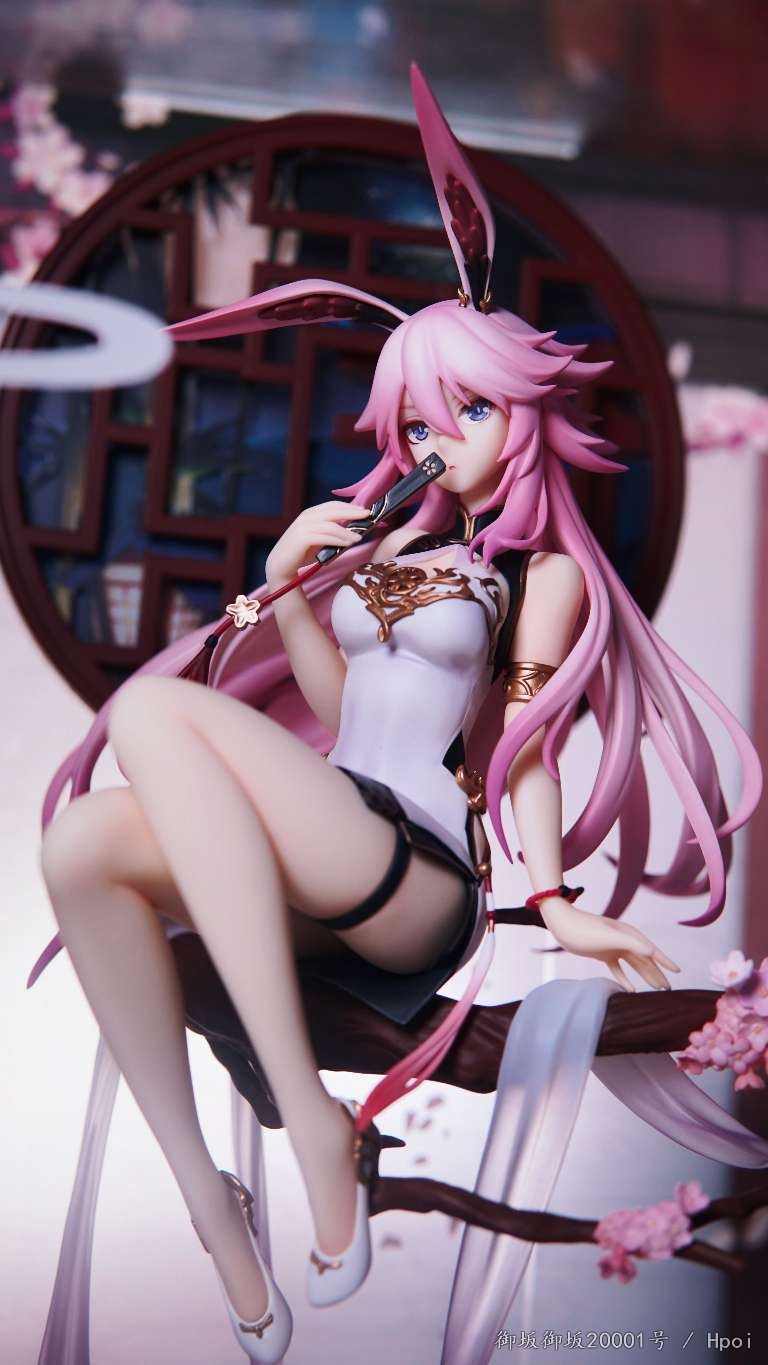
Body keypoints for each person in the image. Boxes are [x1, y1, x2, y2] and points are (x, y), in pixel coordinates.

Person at [30, 67, 761, 1364]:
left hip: (417, 874)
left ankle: (310, 1119)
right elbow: (344, 715)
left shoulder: (539, 575)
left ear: (524, 410)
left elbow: (523, 741)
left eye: (470, 409)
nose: (443, 437)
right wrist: (296, 590)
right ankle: (211, 1203)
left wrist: (554, 900)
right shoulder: (390, 552)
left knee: (152, 715)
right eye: (423, 418)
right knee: (80, 845)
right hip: (337, 835)